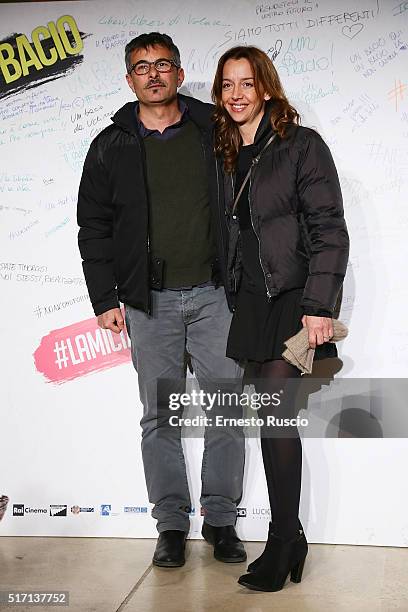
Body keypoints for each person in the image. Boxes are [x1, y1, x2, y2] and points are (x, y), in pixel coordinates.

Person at [77, 32, 246, 568]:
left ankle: (221, 521)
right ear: (130, 80)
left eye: (163, 64)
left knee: (225, 412)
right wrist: (105, 297)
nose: (154, 74)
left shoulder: (212, 130)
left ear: (178, 72)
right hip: (148, 305)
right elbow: (94, 226)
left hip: (216, 296)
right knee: (161, 418)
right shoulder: (111, 144)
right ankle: (171, 525)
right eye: (141, 67)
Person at [211, 45, 349, 591]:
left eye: (247, 83)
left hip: (293, 297)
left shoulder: (301, 146)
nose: (237, 94)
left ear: (265, 87)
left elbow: (328, 229)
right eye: (227, 85)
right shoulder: (224, 151)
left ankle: (283, 539)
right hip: (252, 300)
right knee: (272, 420)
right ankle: (290, 537)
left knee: (274, 418)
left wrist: (319, 306)